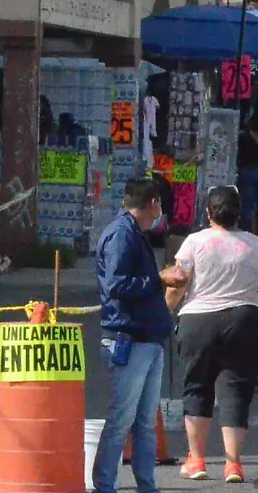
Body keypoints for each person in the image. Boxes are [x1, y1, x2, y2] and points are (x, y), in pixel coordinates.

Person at [161, 186, 258, 484]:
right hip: (243, 319)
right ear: (239, 213)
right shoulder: (255, 245)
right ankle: (233, 464)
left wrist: (163, 315)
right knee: (236, 392)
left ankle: (197, 459)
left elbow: (178, 284)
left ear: (207, 213)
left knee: (197, 388)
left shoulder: (194, 242)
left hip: (198, 321)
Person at [92, 179, 174, 493]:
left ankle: (146, 484)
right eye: (160, 204)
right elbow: (116, 285)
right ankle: (105, 485)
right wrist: (159, 278)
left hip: (148, 339)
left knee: (145, 423)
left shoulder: (133, 233)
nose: (161, 212)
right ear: (152, 202)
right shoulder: (121, 234)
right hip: (128, 338)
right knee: (121, 420)